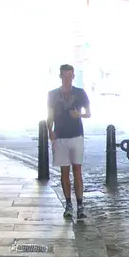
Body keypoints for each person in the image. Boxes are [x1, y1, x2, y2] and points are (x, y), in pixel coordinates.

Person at [47, 63, 91, 216]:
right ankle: (68, 205)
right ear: (60, 76)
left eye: (70, 76)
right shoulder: (52, 94)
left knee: (77, 171)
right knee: (64, 172)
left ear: (73, 76)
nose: (67, 79)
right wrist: (50, 131)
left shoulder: (80, 93)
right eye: (64, 76)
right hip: (60, 136)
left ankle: (80, 205)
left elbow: (89, 113)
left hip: (76, 135)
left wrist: (78, 115)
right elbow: (50, 115)